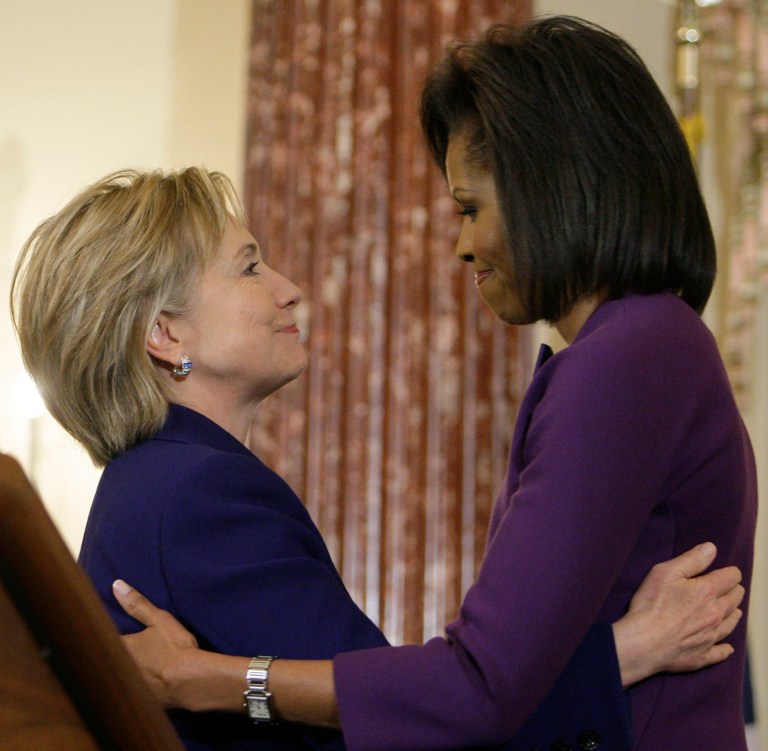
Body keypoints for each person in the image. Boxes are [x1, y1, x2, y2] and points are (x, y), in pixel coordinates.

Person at [105, 15, 756, 751]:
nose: (461, 245)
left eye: (471, 208)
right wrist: (623, 653)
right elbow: (480, 692)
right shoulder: (648, 345)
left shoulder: (627, 355)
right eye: (250, 268)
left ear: (550, 188)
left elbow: (474, 690)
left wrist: (207, 678)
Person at [11, 166, 741, 751]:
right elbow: (404, 735)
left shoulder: (159, 483)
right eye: (250, 267)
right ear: (166, 335)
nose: (290, 289)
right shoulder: (198, 493)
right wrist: (625, 653)